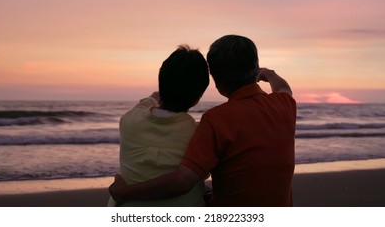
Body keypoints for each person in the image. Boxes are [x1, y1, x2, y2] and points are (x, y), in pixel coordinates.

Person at [110, 35, 296, 206]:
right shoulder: (285, 105)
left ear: (216, 81)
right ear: (255, 67)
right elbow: (284, 88)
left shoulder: (216, 120)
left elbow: (182, 181)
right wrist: (269, 73)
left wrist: (125, 192)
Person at [108, 45, 210, 206]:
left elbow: (150, 99)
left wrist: (164, 91)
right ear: (197, 98)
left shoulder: (129, 120)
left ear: (161, 84)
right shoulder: (199, 134)